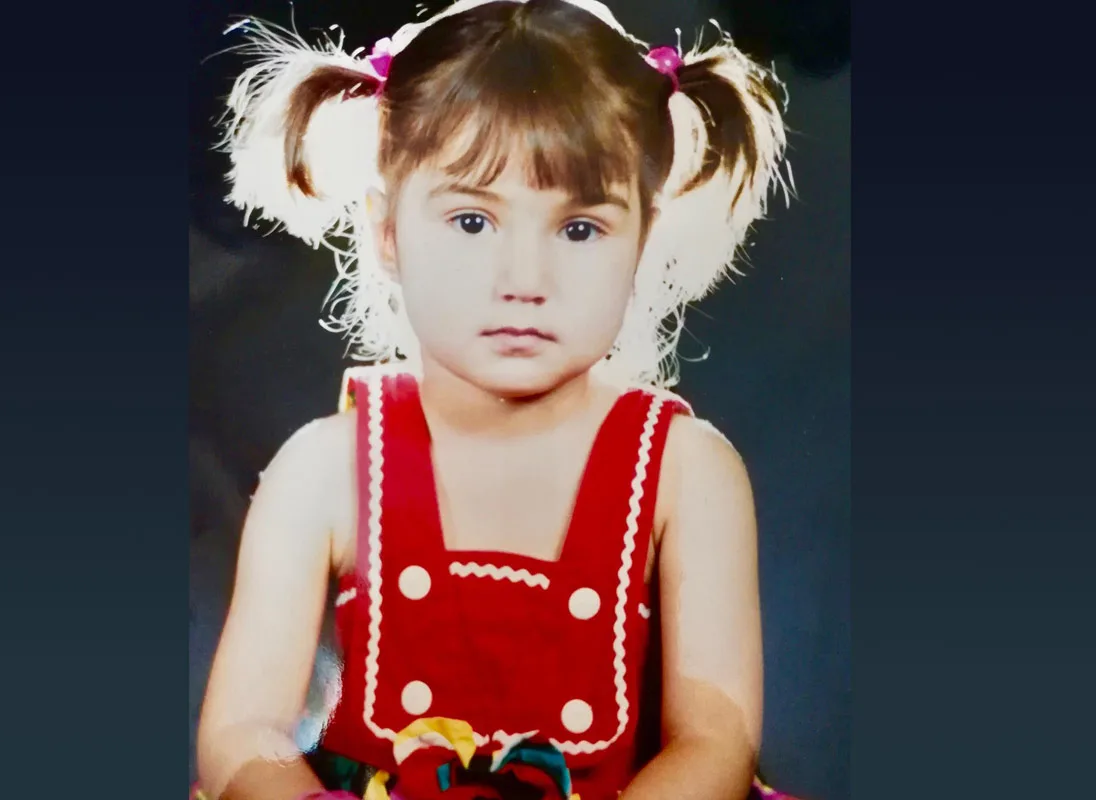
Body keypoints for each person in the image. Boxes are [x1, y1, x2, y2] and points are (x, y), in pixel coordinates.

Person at [195, 1, 801, 798]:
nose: (524, 279)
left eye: (579, 229)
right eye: (473, 221)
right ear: (387, 231)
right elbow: (244, 733)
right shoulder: (322, 470)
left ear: (644, 240)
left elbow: (716, 738)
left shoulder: (687, 472)